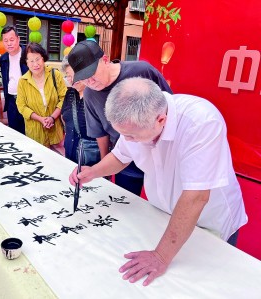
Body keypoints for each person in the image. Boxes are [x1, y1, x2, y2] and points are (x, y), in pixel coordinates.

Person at [69, 77, 248, 286]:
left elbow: (196, 196)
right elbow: (121, 156)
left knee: (203, 286)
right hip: (165, 217)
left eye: (132, 136)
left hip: (209, 223)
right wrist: (93, 172)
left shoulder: (200, 122)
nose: (127, 140)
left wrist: (161, 256)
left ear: (161, 120)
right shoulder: (138, 122)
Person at [67, 40, 173, 196]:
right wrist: (104, 168)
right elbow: (100, 133)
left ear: (105, 60)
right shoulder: (90, 93)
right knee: (127, 203)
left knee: (161, 202)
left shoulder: (143, 71)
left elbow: (169, 105)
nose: (89, 81)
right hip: (124, 156)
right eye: (83, 78)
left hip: (161, 151)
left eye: (91, 74)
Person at [16, 42, 67, 154]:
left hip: (56, 131)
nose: (35, 64)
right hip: (35, 133)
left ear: (43, 58)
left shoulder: (55, 75)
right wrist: (40, 119)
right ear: (26, 63)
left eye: (38, 59)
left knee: (60, 161)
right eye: (31, 61)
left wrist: (52, 118)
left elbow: (64, 98)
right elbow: (21, 106)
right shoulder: (22, 82)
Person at [61, 56, 100, 165]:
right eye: (68, 76)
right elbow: (64, 117)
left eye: (73, 75)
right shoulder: (70, 94)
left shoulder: (96, 96)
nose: (71, 80)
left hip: (90, 158)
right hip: (70, 153)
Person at [0, 26, 29, 134]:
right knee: (14, 133)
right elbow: (5, 80)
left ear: (18, 39)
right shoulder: (3, 59)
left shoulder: (28, 54)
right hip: (11, 100)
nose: (9, 43)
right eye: (5, 41)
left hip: (28, 100)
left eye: (11, 40)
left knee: (29, 133)